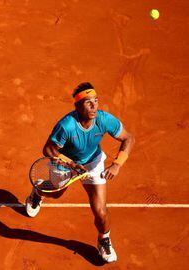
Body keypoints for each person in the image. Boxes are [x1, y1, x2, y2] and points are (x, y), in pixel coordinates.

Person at [25, 82, 135, 263]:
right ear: (77, 106)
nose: (94, 106)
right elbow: (49, 150)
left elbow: (128, 138)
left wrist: (117, 164)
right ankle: (37, 192)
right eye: (88, 102)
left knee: (100, 210)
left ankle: (104, 239)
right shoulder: (66, 126)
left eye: (96, 101)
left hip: (93, 162)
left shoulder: (104, 119)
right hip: (65, 164)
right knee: (56, 193)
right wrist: (72, 164)